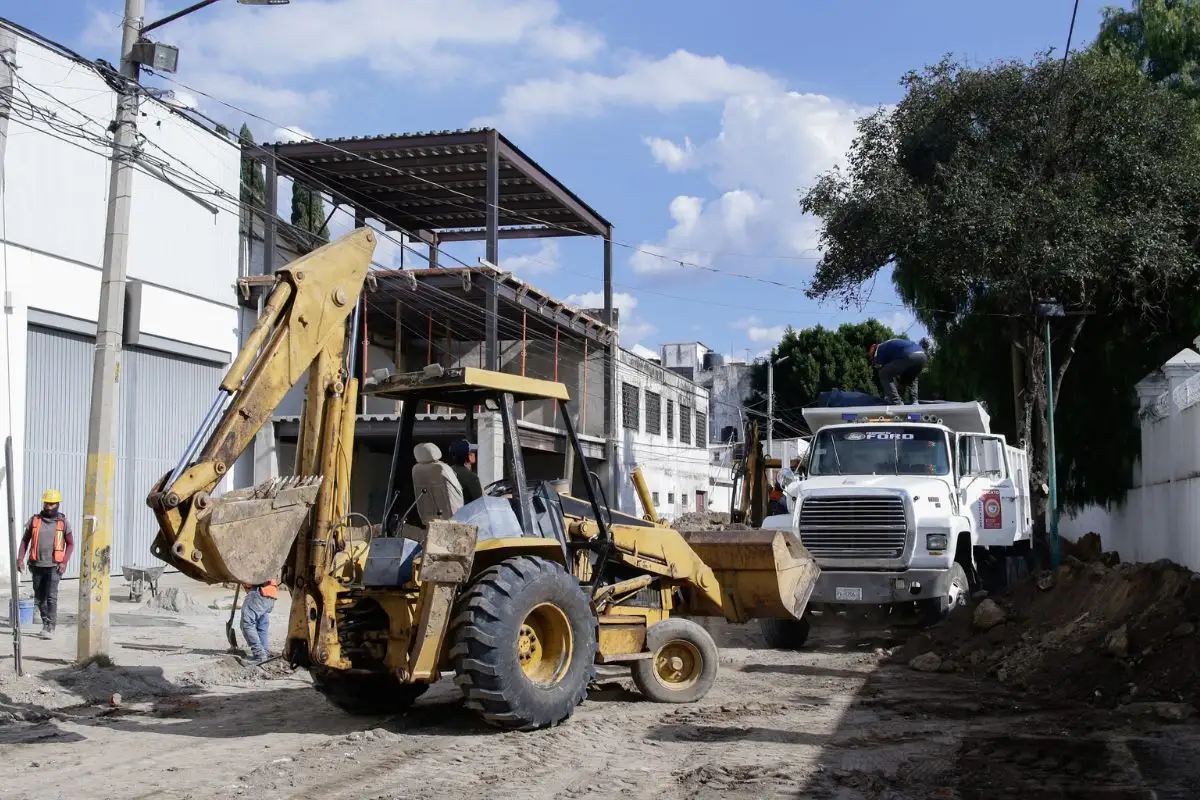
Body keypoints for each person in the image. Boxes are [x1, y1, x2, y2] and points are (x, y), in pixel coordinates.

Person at [16, 489, 75, 639]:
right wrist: (20, 559)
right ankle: (44, 622)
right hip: (36, 565)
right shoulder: (35, 520)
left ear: (57, 505)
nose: (49, 507)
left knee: (51, 596)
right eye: (46, 503)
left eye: (52, 504)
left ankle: (50, 626)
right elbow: (25, 541)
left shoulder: (63, 522)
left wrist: (64, 562)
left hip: (55, 566)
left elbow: (71, 544)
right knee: (39, 597)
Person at [869, 338, 928, 405]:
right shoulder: (890, 344)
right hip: (922, 356)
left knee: (883, 373)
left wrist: (888, 394)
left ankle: (896, 401)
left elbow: (884, 370)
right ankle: (914, 401)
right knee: (912, 376)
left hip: (908, 355)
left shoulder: (879, 349)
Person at [240, 579, 278, 664]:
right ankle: (264, 651)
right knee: (262, 624)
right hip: (270, 594)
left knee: (247, 624)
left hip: (258, 593)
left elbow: (250, 578)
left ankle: (259, 655)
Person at [447, 438, 483, 504]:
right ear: (467, 456)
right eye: (471, 453)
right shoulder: (471, 477)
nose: (473, 454)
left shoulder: (446, 471)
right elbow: (480, 502)